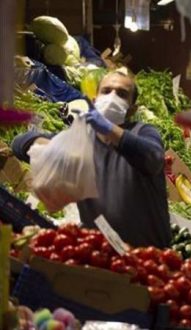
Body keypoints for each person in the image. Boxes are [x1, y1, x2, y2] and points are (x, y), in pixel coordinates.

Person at [12, 70, 171, 247]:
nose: (112, 97)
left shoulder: (142, 132)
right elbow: (18, 144)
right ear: (95, 100)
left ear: (132, 108)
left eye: (122, 94)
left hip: (149, 258)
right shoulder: (81, 142)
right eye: (106, 91)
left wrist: (109, 129)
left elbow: (154, 158)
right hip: (100, 254)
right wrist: (48, 147)